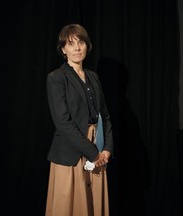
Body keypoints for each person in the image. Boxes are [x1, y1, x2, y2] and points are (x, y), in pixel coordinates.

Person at [45, 23, 114, 216]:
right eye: (70, 43)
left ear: (87, 46)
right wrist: (93, 153)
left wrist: (107, 149)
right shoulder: (57, 78)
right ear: (63, 49)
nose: (76, 48)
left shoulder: (93, 77)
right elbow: (62, 122)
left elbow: (104, 116)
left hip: (98, 151)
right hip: (71, 153)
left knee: (93, 206)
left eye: (80, 42)